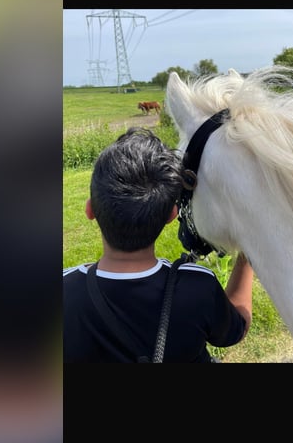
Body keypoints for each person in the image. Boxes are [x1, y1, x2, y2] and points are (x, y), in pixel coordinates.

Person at [63, 128, 254, 363]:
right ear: (171, 215)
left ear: (90, 210)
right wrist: (247, 257)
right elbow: (236, 328)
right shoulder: (199, 286)